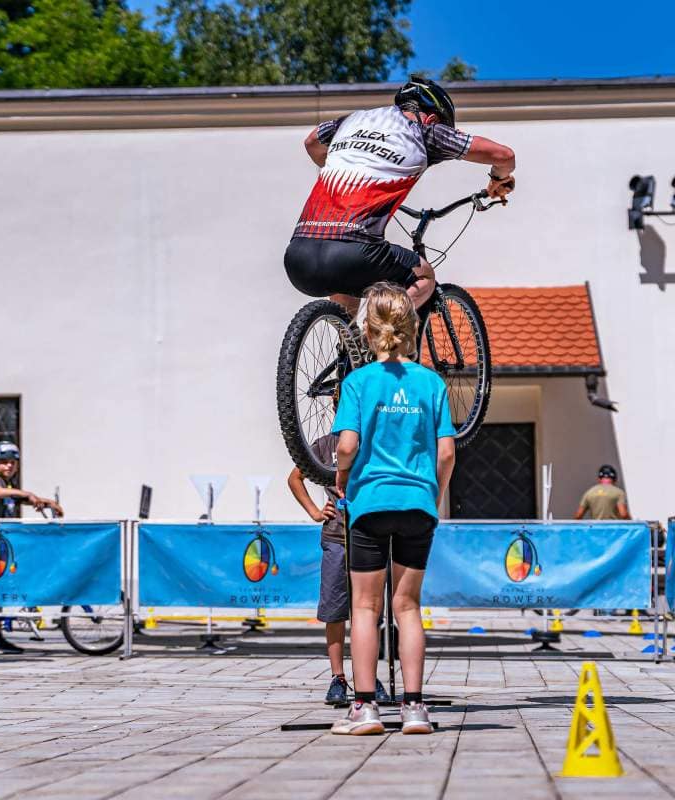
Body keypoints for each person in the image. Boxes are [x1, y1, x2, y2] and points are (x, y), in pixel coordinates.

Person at [329, 282, 456, 735]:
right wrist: (434, 496)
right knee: (407, 606)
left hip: (370, 502)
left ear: (368, 329)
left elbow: (347, 445)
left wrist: (343, 479)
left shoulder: (358, 382)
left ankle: (364, 708)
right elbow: (446, 454)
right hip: (417, 503)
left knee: (365, 607)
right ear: (411, 325)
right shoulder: (432, 382)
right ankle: (415, 708)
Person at [284, 76, 515, 319]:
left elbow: (311, 142)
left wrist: (343, 164)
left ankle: (350, 351)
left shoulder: (351, 121)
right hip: (355, 254)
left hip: (298, 257)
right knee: (425, 276)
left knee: (344, 279)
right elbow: (504, 155)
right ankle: (376, 333)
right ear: (433, 119)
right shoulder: (427, 132)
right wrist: (497, 181)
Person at [287, 441, 388, 705]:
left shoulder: (372, 436)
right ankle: (338, 677)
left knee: (369, 611)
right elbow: (295, 478)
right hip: (336, 536)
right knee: (334, 610)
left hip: (369, 533)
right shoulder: (325, 444)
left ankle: (368, 676)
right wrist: (314, 511)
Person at [0, 440, 63, 657]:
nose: (9, 466)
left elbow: (18, 499)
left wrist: (45, 502)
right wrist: (28, 493)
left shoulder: (8, 483)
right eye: (5, 462)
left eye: (13, 462)